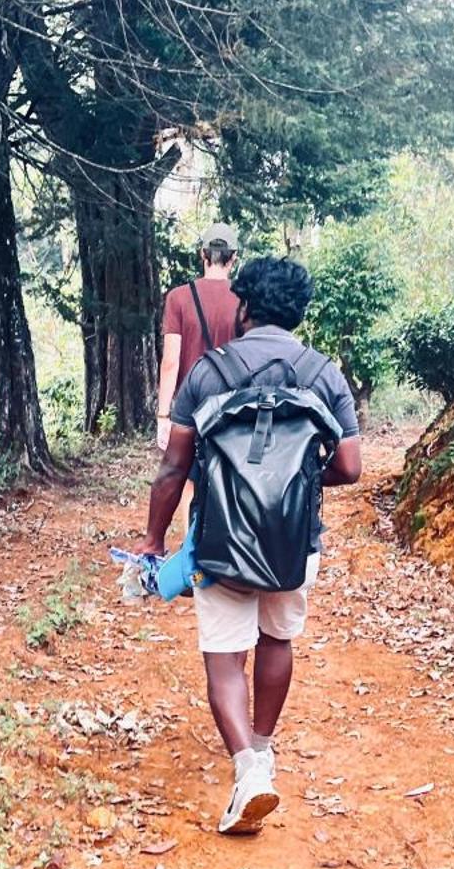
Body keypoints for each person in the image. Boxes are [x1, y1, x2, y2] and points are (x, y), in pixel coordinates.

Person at [137, 255, 362, 834]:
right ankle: (263, 745)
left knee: (223, 655)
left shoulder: (210, 372)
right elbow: (351, 467)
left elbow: (173, 468)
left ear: (244, 306)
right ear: (297, 312)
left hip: (220, 538)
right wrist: (299, 483)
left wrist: (153, 539)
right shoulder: (323, 374)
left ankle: (248, 770)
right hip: (294, 540)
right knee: (276, 637)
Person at [156, 223, 242, 452]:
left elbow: (171, 362)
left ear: (202, 254)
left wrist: (163, 416)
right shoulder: (245, 299)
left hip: (190, 407)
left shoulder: (178, 298)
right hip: (235, 405)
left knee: (188, 480)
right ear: (233, 258)